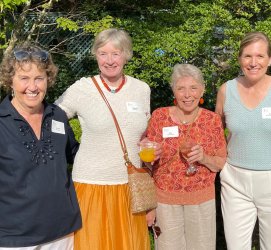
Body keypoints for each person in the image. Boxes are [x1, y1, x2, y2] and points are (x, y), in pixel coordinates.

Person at [55, 28, 152, 250]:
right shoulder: (82, 88)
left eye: (115, 53)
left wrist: (147, 144)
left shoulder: (141, 89)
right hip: (91, 185)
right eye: (103, 53)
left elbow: (142, 133)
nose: (109, 60)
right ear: (95, 55)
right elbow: (51, 118)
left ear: (126, 55)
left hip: (130, 188)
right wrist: (69, 148)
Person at [215, 31, 271, 250]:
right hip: (235, 181)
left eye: (260, 56)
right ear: (239, 59)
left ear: (270, 59)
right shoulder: (226, 90)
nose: (254, 62)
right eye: (248, 56)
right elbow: (215, 134)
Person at [0, 43, 81, 249]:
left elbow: (77, 155)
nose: (33, 87)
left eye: (39, 78)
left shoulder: (58, 116)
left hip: (62, 233)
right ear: (10, 80)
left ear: (48, 79)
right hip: (15, 237)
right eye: (24, 78)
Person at [146, 63, 227, 250]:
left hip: (201, 201)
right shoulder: (159, 117)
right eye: (181, 88)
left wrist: (204, 157)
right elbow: (147, 163)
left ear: (202, 90)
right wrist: (149, 154)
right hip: (165, 201)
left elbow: (220, 162)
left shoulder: (212, 120)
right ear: (173, 91)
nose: (187, 94)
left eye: (193, 88)